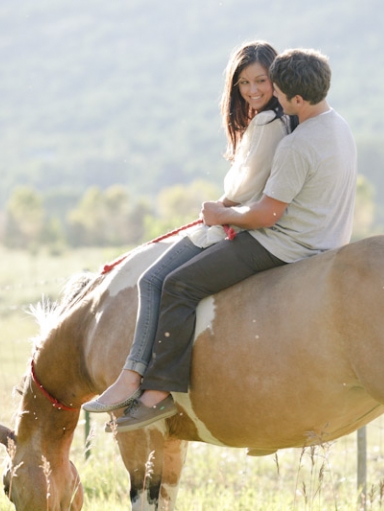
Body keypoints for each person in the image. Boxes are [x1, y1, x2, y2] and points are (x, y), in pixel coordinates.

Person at [93, 48, 357, 433]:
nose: (275, 101)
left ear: (297, 98)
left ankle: (158, 393)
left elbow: (267, 215)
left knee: (177, 284)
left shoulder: (295, 145)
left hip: (284, 244)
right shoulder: (339, 126)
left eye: (278, 92)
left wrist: (222, 215)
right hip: (326, 237)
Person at [82, 41, 295, 414]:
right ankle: (136, 377)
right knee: (155, 280)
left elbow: (245, 188)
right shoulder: (269, 121)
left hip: (238, 225)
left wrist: (220, 206)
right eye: (244, 83)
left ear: (274, 79)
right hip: (233, 219)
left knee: (155, 281)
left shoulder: (267, 124)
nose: (253, 90)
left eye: (260, 80)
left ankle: (139, 378)